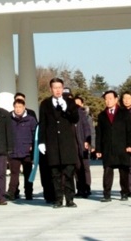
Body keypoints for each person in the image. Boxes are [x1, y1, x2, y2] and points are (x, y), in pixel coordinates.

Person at [38, 77, 81, 208]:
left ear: (63, 88)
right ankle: (58, 199)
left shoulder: (70, 102)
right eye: (54, 88)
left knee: (68, 173)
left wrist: (66, 108)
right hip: (52, 144)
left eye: (59, 88)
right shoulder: (45, 104)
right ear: (50, 89)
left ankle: (70, 199)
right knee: (55, 174)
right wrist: (42, 142)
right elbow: (43, 124)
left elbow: (75, 119)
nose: (57, 90)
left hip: (67, 143)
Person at [94, 90, 131, 202]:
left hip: (122, 147)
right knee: (107, 171)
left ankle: (124, 193)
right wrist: (98, 149)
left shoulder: (124, 113)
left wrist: (130, 145)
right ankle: (107, 194)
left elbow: (130, 130)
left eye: (110, 98)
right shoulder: (102, 115)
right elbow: (99, 133)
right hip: (108, 148)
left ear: (116, 99)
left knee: (124, 171)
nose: (108, 101)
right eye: (106, 99)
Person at [8, 97, 37, 201]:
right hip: (13, 150)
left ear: (24, 107)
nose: (18, 109)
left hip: (27, 151)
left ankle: (29, 193)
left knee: (28, 174)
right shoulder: (9, 119)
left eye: (20, 107)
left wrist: (33, 147)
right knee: (14, 174)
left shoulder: (31, 119)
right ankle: (11, 193)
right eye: (16, 107)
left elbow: (35, 134)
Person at [73, 95, 93, 198]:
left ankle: (87, 187)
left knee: (85, 167)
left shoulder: (86, 116)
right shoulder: (71, 116)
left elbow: (90, 131)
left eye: (78, 103)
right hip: (75, 145)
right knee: (77, 167)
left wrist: (90, 144)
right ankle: (79, 189)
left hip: (84, 145)